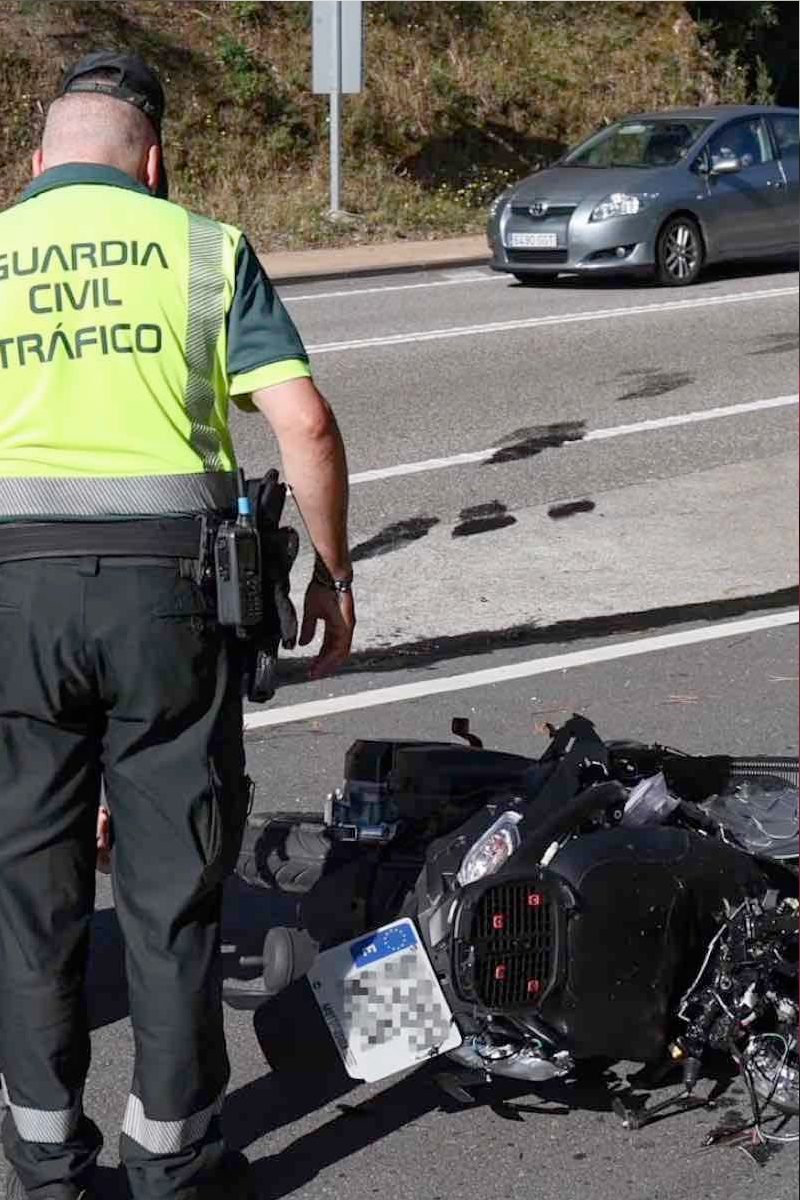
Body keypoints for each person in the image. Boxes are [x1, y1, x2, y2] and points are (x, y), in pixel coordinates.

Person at [0, 50, 355, 1200]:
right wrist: (333, 577)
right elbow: (301, 422)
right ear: (153, 163)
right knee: (170, 887)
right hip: (172, 606)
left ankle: (45, 1159)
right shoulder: (202, 246)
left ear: (33, 160)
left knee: (29, 891)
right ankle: (173, 1156)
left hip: (12, 604)